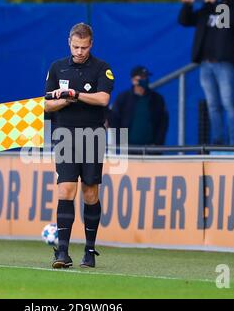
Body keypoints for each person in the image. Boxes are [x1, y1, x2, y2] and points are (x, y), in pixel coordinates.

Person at [44, 23, 114, 268]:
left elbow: (103, 98)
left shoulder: (102, 68)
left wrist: (75, 95)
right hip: (64, 135)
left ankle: (90, 250)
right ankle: (62, 252)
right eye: (76, 46)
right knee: (65, 190)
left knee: (90, 192)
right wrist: (63, 101)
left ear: (91, 44)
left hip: (93, 135)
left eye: (84, 47)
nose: (80, 51)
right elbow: (46, 104)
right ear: (69, 42)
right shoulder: (57, 67)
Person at [178, 0, 234, 145]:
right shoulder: (205, 10)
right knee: (212, 105)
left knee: (228, 103)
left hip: (223, 63)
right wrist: (187, 5)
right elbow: (184, 21)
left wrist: (216, 3)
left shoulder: (233, 8)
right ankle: (217, 140)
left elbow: (226, 23)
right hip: (206, 64)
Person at [110, 66, 168, 147]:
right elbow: (114, 121)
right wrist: (120, 143)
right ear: (133, 80)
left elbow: (163, 123)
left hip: (150, 148)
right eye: (142, 77)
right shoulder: (123, 98)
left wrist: (157, 143)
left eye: (146, 77)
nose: (145, 79)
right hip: (128, 149)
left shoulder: (157, 99)